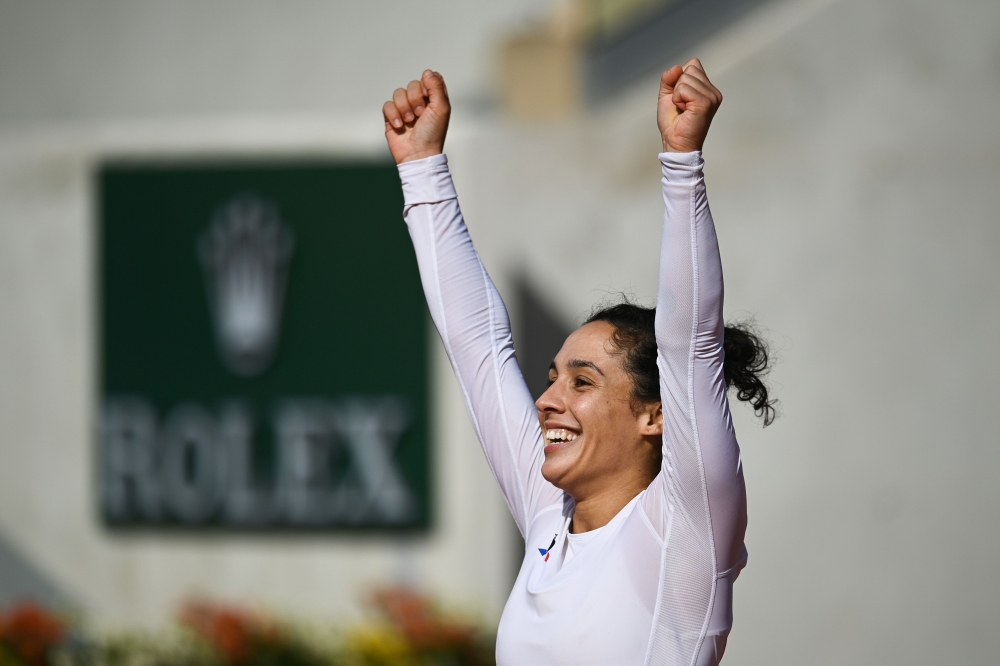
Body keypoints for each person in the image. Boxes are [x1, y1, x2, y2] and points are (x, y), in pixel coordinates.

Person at [382, 60, 773, 666]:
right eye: (553, 378)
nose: (547, 400)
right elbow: (475, 344)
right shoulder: (549, 511)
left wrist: (680, 163)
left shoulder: (684, 533)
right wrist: (422, 168)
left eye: (582, 381)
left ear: (656, 414)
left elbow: (690, 346)